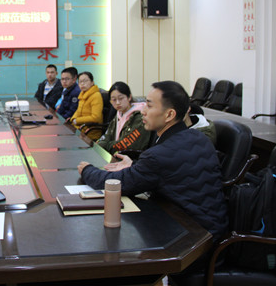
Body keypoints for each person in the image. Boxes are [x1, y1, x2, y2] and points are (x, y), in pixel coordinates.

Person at [78, 81, 227, 239]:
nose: (142, 111)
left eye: (149, 105)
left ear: (169, 114)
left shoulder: (159, 155)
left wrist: (87, 170)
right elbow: (171, 169)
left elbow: (115, 184)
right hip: (212, 228)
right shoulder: (199, 137)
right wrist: (134, 165)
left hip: (191, 239)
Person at [96, 81, 151, 155]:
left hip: (130, 158)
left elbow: (124, 144)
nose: (118, 102)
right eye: (114, 100)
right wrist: (101, 143)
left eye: (121, 98)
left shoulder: (140, 116)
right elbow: (107, 135)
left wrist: (105, 145)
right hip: (115, 155)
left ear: (129, 97)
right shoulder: (119, 113)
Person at [68, 71, 104, 140]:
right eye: (80, 81)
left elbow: (95, 118)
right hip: (81, 130)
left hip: (90, 133)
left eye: (85, 81)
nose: (82, 84)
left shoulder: (96, 95)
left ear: (92, 82)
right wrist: (73, 119)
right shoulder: (82, 94)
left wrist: (77, 121)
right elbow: (78, 111)